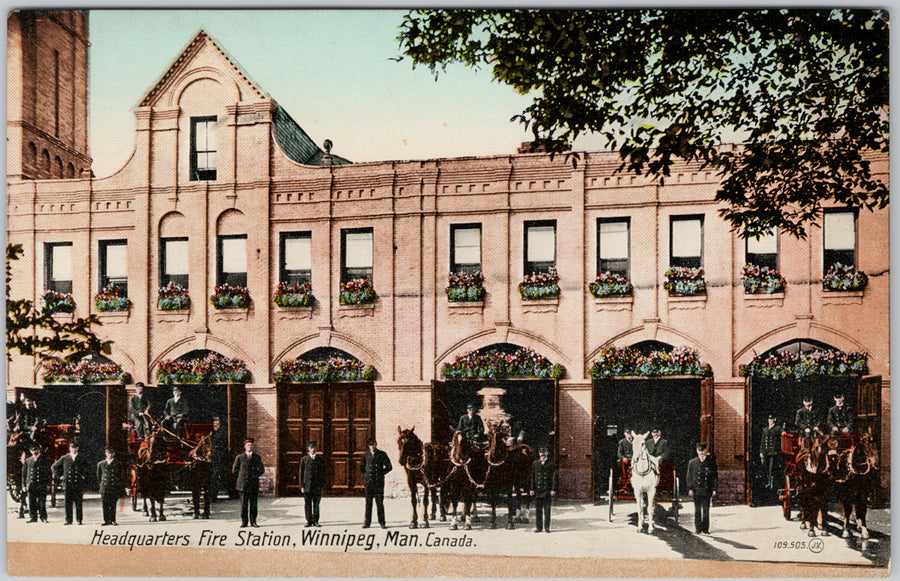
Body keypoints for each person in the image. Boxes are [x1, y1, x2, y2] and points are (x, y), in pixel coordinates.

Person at [52, 440, 89, 525]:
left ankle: (79, 519)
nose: (74, 449)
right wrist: (60, 476)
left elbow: (88, 468)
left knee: (78, 502)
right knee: (68, 502)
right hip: (68, 483)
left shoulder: (82, 458)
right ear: (69, 448)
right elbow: (54, 467)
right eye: (72, 448)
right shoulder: (65, 458)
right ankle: (68, 520)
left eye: (75, 448)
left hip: (78, 483)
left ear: (77, 448)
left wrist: (84, 476)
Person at [686, 442, 718, 535]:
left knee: (706, 510)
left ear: (706, 450)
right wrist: (690, 489)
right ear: (697, 451)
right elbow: (689, 477)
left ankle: (705, 529)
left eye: (703, 450)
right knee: (697, 510)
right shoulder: (692, 462)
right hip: (696, 490)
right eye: (700, 450)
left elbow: (714, 477)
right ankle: (698, 529)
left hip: (707, 490)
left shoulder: (711, 462)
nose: (702, 452)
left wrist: (714, 489)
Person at [232, 437, 265, 528]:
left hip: (253, 484)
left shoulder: (257, 457)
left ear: (253, 447)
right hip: (243, 485)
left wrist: (254, 476)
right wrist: (241, 479)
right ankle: (244, 522)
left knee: (254, 504)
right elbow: (234, 471)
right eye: (248, 445)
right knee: (244, 504)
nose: (250, 447)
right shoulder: (240, 457)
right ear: (245, 447)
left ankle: (253, 522)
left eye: (251, 445)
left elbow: (261, 470)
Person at [360, 438, 392, 529]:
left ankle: (382, 523)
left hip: (378, 483)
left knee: (379, 503)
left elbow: (389, 467)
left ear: (376, 444)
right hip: (369, 483)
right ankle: (367, 523)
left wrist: (381, 473)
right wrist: (367, 475)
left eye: (373, 444)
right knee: (368, 503)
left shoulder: (382, 454)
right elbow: (362, 467)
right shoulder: (366, 455)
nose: (372, 446)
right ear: (368, 446)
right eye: (370, 445)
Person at [529, 445, 558, 533]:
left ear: (547, 453)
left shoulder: (551, 463)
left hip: (547, 490)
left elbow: (554, 477)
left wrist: (553, 489)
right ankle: (539, 528)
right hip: (538, 490)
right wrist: (531, 489)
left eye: (544, 453)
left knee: (547, 510)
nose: (542, 454)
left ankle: (547, 528)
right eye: (541, 453)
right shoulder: (535, 463)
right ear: (539, 454)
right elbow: (533, 477)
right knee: (538, 511)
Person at [299, 441, 326, 527]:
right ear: (308, 449)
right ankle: (309, 521)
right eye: (311, 448)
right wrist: (301, 486)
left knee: (316, 504)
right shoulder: (304, 459)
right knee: (307, 504)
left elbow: (323, 473)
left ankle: (316, 521)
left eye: (314, 448)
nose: (313, 450)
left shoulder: (320, 459)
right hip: (307, 486)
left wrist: (322, 484)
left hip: (317, 486)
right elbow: (301, 473)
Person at [22, 443, 51, 523]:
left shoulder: (44, 460)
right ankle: (33, 517)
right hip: (31, 484)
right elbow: (24, 474)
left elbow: (48, 473)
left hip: (41, 484)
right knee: (31, 502)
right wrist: (23, 485)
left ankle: (43, 517)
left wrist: (48, 484)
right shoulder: (28, 460)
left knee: (42, 502)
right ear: (30, 451)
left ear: (39, 450)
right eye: (32, 450)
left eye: (36, 450)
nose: (34, 452)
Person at [97, 447, 123, 526]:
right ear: (106, 454)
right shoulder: (101, 464)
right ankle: (106, 520)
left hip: (113, 486)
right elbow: (99, 476)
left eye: (111, 453)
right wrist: (101, 485)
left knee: (113, 504)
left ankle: (113, 520)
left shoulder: (117, 464)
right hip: (105, 487)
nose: (110, 455)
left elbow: (120, 475)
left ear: (113, 454)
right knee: (105, 504)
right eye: (108, 453)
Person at [759, 414, 783, 490]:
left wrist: (783, 433)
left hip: (773, 452)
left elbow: (783, 433)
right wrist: (761, 452)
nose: (770, 421)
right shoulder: (765, 430)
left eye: (771, 419)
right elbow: (763, 442)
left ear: (774, 420)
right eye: (769, 420)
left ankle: (772, 482)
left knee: (771, 468)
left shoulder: (778, 428)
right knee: (766, 467)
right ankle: (769, 481)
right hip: (766, 452)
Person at [209, 416, 230, 501]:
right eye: (214, 425)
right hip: (212, 458)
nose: (216, 426)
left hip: (218, 458)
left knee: (216, 476)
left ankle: (214, 495)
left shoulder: (221, 435)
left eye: (217, 424)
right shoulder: (211, 434)